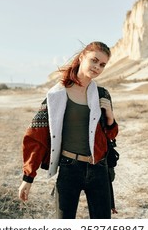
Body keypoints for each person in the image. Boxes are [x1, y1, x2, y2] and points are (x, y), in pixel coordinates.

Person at [18, 41, 119, 219]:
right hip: (69, 169)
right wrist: (28, 177)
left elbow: (109, 135)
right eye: (94, 60)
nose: (97, 67)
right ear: (82, 57)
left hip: (99, 170)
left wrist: (110, 117)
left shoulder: (102, 94)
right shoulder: (56, 95)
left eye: (102, 64)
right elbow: (36, 136)